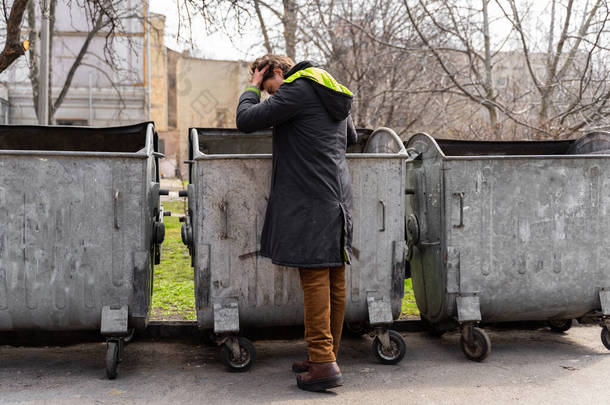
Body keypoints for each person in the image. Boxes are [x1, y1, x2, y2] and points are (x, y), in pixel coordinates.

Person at [236, 54, 357, 392]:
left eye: (269, 86)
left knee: (315, 275)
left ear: (276, 72)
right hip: (338, 196)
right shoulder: (327, 87)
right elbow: (351, 135)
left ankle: (322, 362)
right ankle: (327, 354)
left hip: (312, 199)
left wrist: (252, 87)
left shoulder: (296, 88)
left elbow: (245, 120)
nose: (271, 96)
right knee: (333, 275)